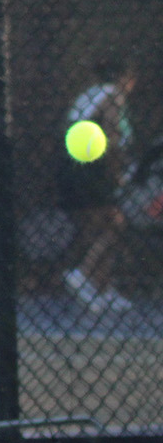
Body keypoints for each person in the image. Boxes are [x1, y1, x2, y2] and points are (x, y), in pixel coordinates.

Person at [59, 60, 138, 312]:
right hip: (93, 168)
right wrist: (117, 174)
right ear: (125, 77)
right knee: (115, 222)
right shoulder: (113, 96)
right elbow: (112, 137)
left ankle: (102, 289)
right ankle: (83, 274)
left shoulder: (90, 95)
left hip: (75, 166)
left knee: (99, 227)